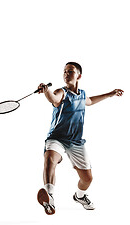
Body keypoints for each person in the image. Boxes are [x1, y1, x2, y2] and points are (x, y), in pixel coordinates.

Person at [36, 62, 124, 215]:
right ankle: (49, 195)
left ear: (79, 76)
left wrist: (110, 94)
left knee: (87, 179)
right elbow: (54, 99)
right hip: (57, 137)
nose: (66, 74)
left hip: (76, 141)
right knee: (50, 158)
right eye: (64, 71)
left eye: (70, 71)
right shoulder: (61, 92)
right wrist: (46, 91)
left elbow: (89, 101)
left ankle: (80, 196)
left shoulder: (82, 94)